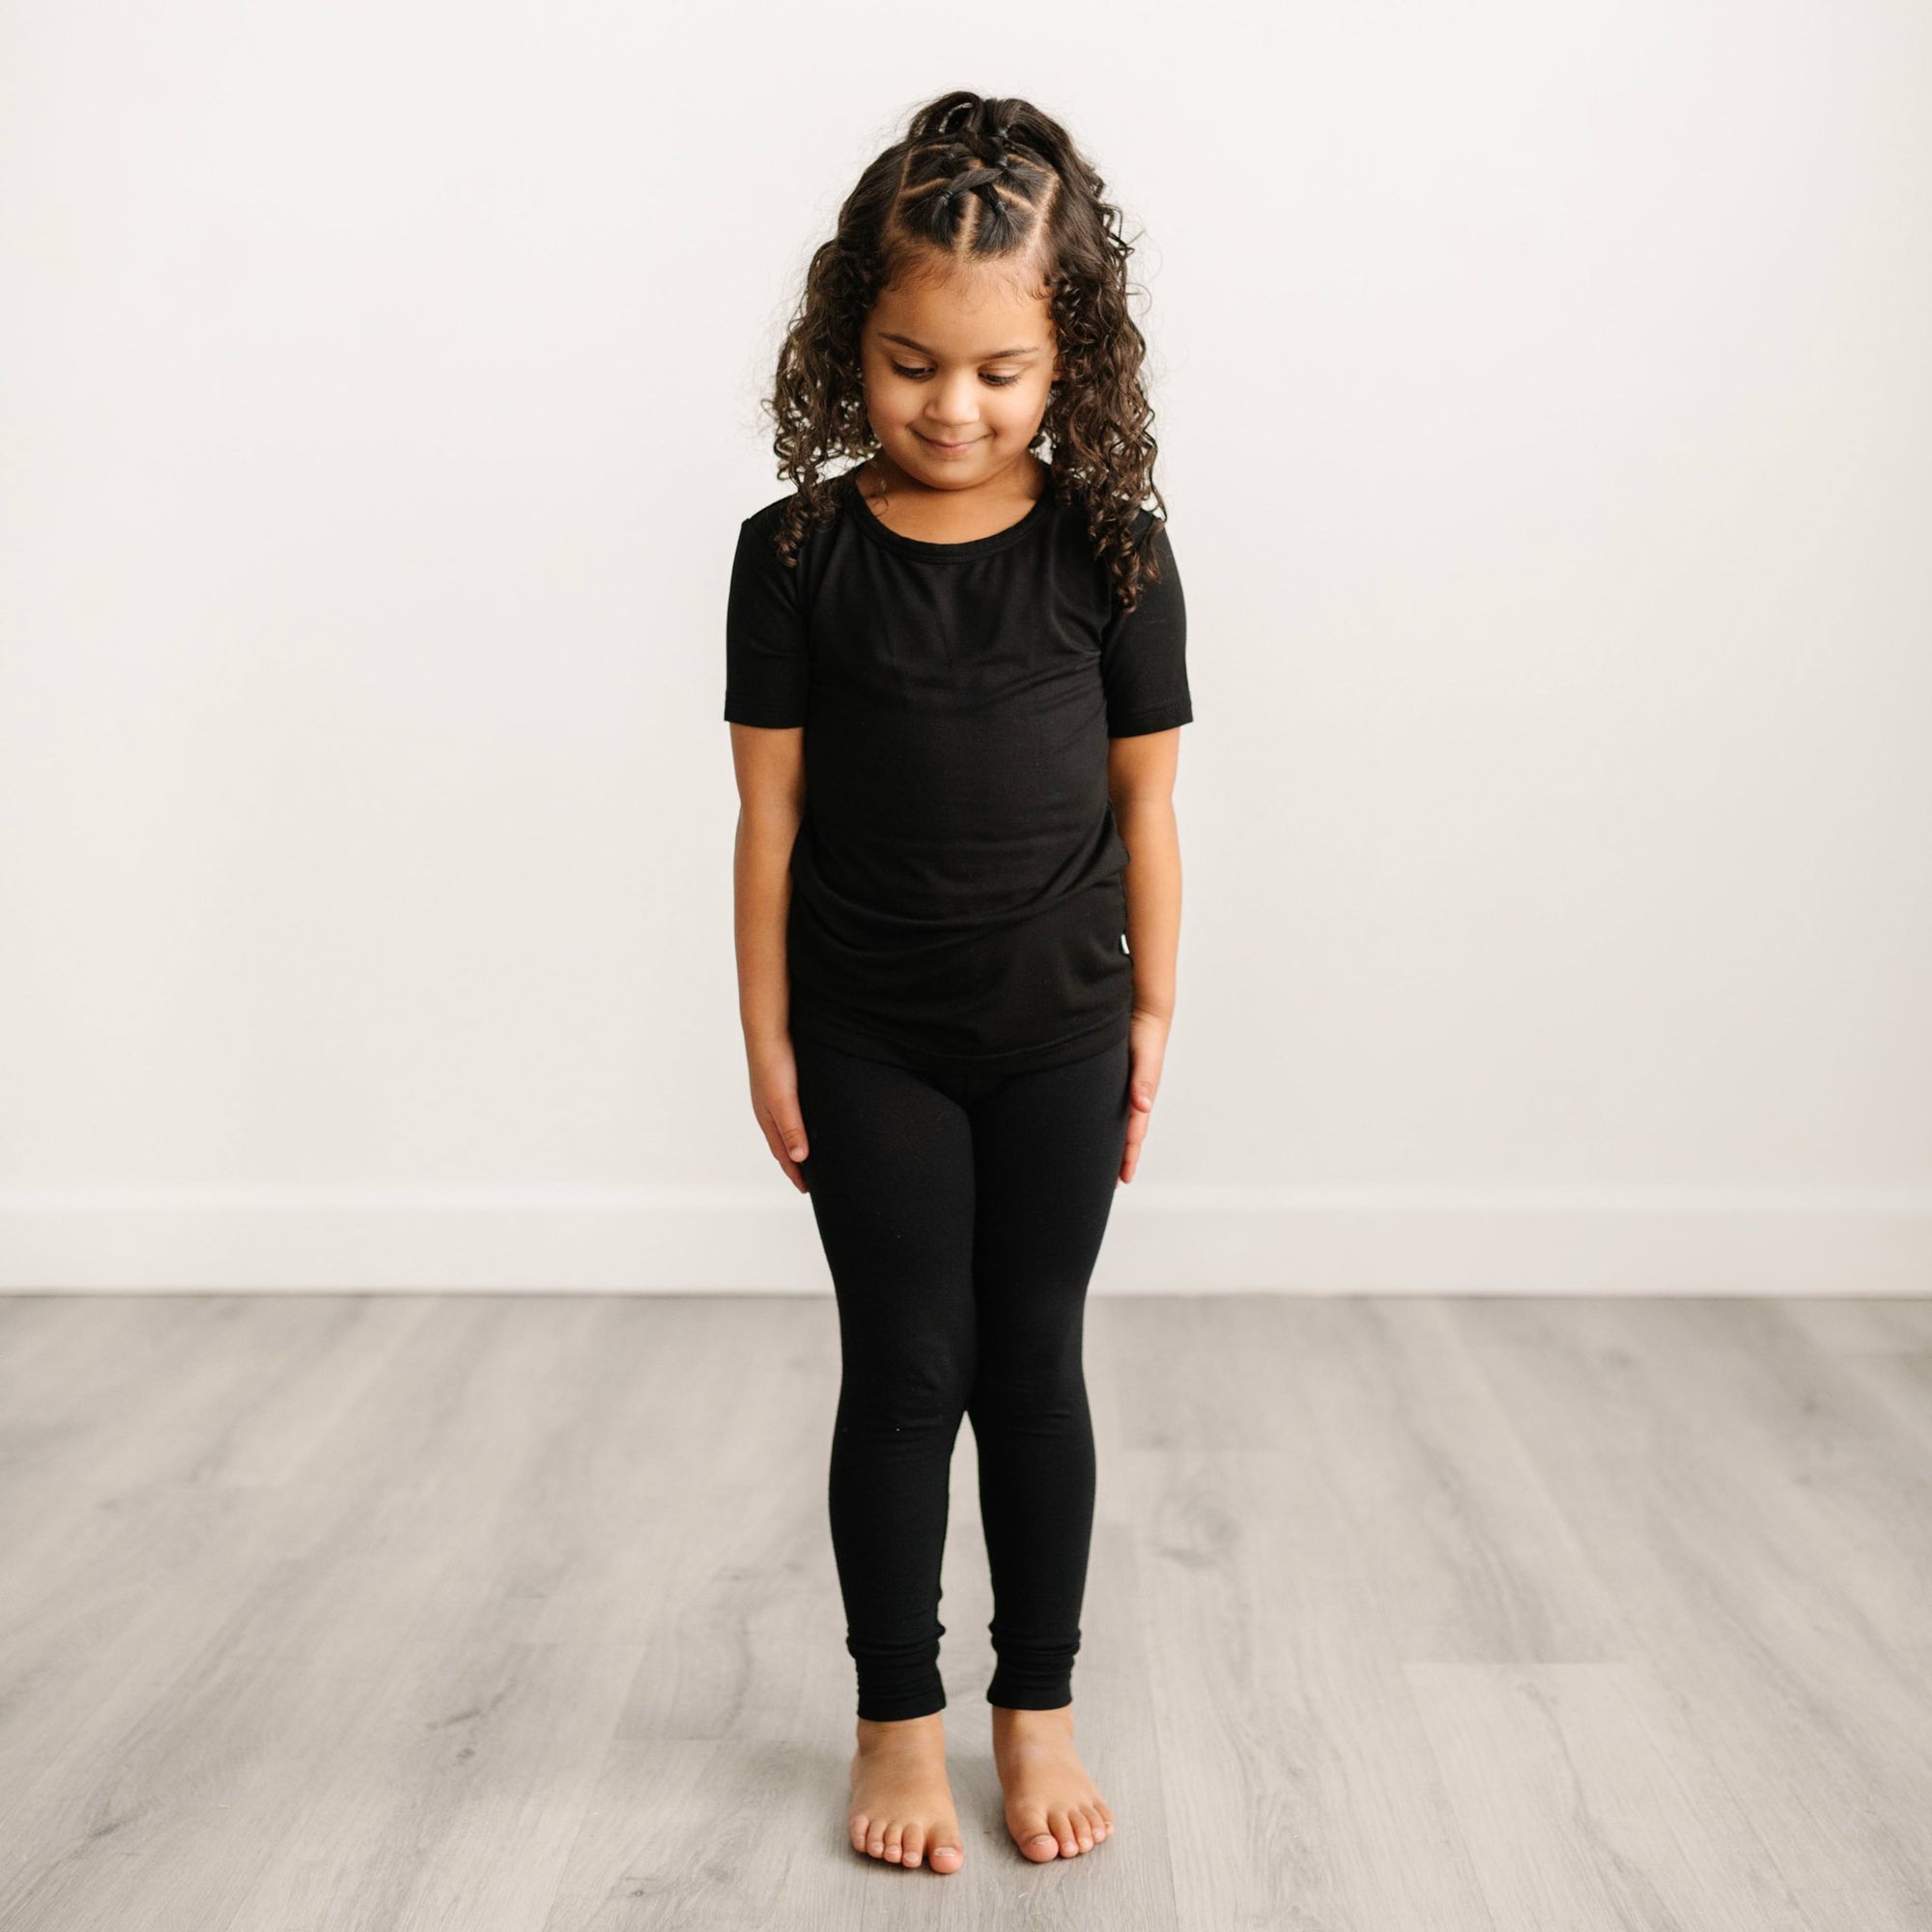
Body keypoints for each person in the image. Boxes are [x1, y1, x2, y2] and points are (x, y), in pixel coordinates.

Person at [723, 88, 1192, 1876]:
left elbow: (1148, 805)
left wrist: (1150, 1017)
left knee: (1036, 1367)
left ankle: (1038, 1708)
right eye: (915, 362)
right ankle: (897, 1722)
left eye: (999, 373)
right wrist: (768, 1039)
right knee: (906, 1368)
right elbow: (769, 820)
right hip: (869, 1036)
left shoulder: (1115, 548)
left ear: (1071, 360)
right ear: (855, 337)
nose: (953, 407)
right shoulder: (793, 557)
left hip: (1064, 1029)